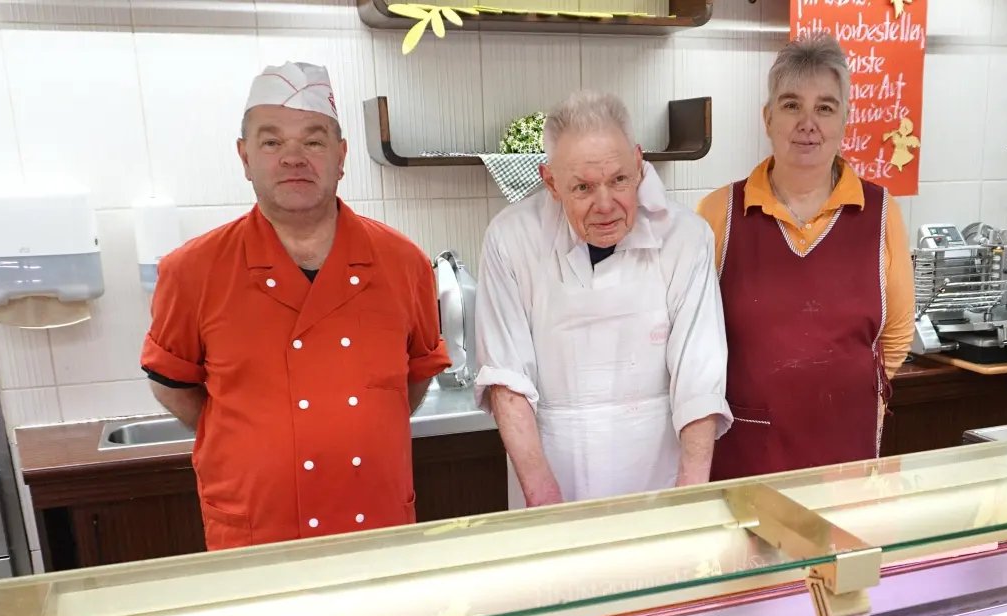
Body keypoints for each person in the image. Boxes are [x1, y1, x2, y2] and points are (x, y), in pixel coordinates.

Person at [140, 61, 449, 550]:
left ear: (341, 155)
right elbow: (174, 388)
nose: (294, 157)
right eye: (271, 141)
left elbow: (413, 381)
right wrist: (251, 435)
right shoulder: (191, 270)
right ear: (244, 158)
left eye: (313, 140)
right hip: (257, 533)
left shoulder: (404, 262)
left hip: (375, 525)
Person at [475, 90, 730, 506]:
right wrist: (544, 503)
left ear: (639, 164)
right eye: (583, 187)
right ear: (550, 182)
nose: (606, 205)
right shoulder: (511, 238)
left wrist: (691, 498)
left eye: (619, 180)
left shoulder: (687, 237)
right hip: (549, 475)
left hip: (658, 476)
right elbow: (507, 381)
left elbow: (699, 377)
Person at [696, 33, 917, 480]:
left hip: (846, 458)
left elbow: (896, 335)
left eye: (825, 107)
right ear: (768, 117)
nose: (807, 122)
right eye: (792, 104)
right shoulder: (719, 213)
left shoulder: (881, 214)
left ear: (845, 121)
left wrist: (851, 401)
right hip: (746, 459)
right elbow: (692, 344)